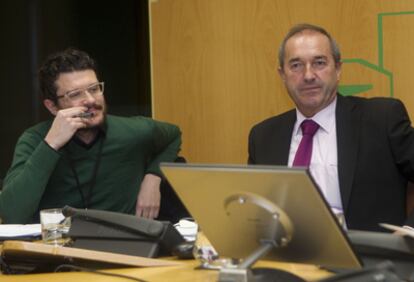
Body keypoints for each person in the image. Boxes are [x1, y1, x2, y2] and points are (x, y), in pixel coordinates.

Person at [248, 23, 414, 232]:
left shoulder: (382, 119)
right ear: (282, 74)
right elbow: (256, 210)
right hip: (287, 259)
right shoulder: (263, 136)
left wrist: (409, 234)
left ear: (338, 69)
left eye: (319, 63)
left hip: (369, 260)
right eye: (296, 65)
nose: (308, 75)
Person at [0, 48, 181, 224]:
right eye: (75, 94)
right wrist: (51, 144)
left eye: (94, 89)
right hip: (56, 247)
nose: (91, 100)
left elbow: (174, 136)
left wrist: (153, 177)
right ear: (52, 107)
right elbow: (11, 214)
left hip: (121, 247)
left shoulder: (132, 131)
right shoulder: (34, 139)